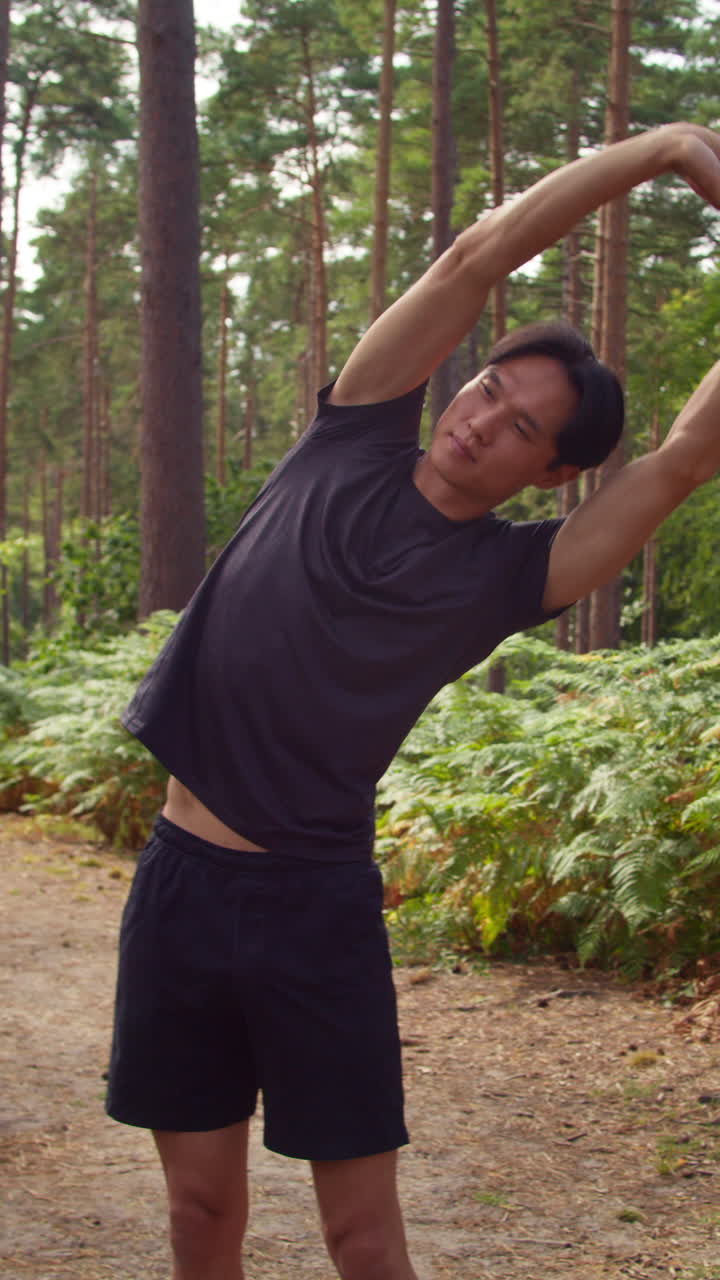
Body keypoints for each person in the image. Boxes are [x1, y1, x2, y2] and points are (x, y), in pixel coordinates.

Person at [107, 121, 720, 1280]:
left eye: (523, 426)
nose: (481, 418)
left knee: (362, 1234)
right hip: (180, 879)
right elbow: (474, 258)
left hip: (314, 908)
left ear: (552, 474)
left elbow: (687, 455)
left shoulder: (514, 573)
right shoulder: (353, 426)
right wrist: (661, 149)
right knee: (198, 1211)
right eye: (489, 387)